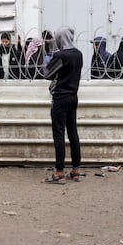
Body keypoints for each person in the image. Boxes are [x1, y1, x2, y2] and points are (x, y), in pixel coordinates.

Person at [42, 27, 83, 184]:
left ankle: (59, 172)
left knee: (59, 134)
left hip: (60, 98)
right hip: (73, 97)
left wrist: (48, 61)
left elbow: (47, 74)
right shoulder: (79, 54)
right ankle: (76, 170)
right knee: (73, 133)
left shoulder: (61, 55)